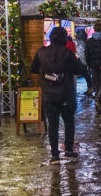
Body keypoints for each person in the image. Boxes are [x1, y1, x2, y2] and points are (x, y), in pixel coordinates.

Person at [31, 26, 84, 164]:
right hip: (66, 95)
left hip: (48, 95)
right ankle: (68, 150)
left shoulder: (41, 52)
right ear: (64, 38)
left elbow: (34, 69)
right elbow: (79, 70)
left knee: (53, 125)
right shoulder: (68, 54)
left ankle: (55, 155)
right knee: (69, 122)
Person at [85, 31, 101, 97]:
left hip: (93, 64)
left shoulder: (89, 41)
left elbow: (86, 54)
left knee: (95, 80)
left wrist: (88, 63)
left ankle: (97, 93)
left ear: (94, 29)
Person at [75, 29, 93, 96]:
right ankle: (90, 88)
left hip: (84, 61)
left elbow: (83, 52)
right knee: (87, 75)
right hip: (85, 61)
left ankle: (90, 88)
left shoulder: (80, 42)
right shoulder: (85, 42)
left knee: (87, 75)